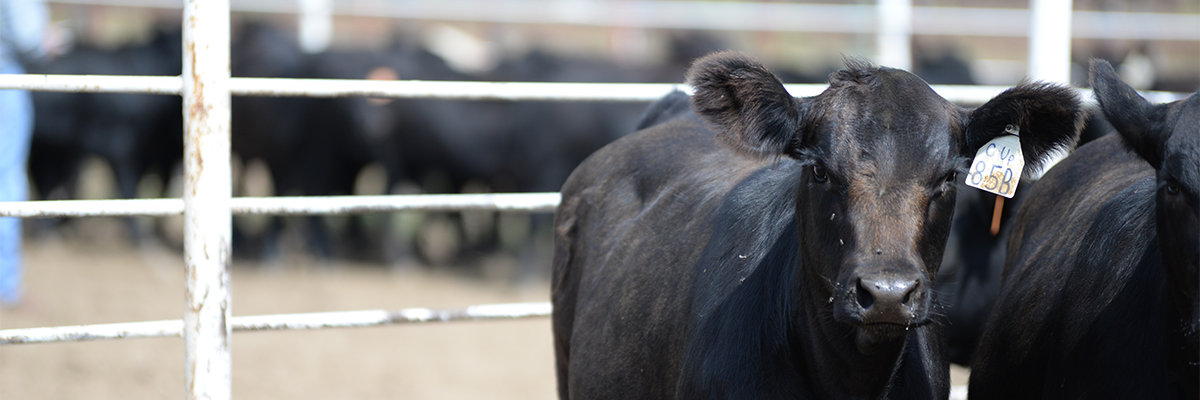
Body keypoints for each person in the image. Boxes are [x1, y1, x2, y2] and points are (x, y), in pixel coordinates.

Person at [0, 0, 48, 307]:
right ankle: (5, 283)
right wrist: (48, 40)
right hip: (5, 76)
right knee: (6, 180)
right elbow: (28, 36)